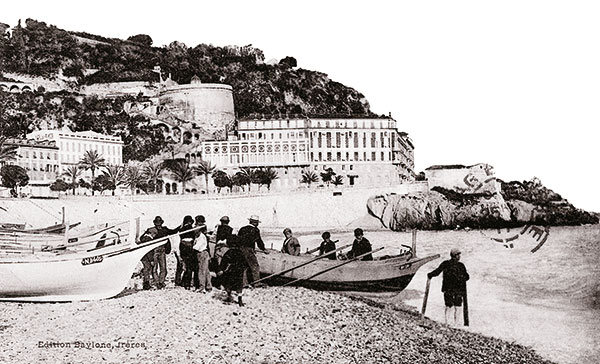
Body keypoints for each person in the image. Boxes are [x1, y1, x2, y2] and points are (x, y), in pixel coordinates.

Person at [427, 248, 470, 326]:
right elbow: (467, 277)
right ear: (455, 256)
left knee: (449, 305)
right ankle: (455, 324)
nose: (459, 256)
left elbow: (437, 272)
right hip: (458, 289)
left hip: (449, 288)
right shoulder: (460, 265)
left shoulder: (446, 263)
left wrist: (430, 274)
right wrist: (461, 278)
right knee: (457, 306)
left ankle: (447, 322)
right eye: (458, 255)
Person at [139, 216, 176, 289]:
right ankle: (157, 282)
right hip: (154, 251)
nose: (158, 224)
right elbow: (142, 238)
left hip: (162, 250)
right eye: (157, 223)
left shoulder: (164, 230)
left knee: (163, 268)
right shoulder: (151, 230)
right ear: (155, 223)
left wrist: (180, 226)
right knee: (155, 268)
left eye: (159, 223)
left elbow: (173, 232)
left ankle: (160, 282)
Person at [237, 214, 268, 285]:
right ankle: (257, 282)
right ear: (255, 222)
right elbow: (259, 241)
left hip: (240, 249)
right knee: (255, 266)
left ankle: (244, 283)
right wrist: (263, 249)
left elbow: (238, 239)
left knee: (244, 266)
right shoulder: (255, 230)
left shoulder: (242, 229)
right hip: (249, 250)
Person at [218, 237, 250, 307]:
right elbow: (245, 263)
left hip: (231, 270)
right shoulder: (240, 252)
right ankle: (240, 300)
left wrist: (221, 269)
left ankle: (229, 296)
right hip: (239, 270)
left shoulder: (229, 252)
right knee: (239, 284)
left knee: (228, 283)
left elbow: (224, 261)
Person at [178, 215, 199, 290]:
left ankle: (184, 283)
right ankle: (187, 283)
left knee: (186, 266)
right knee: (190, 266)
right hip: (189, 247)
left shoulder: (182, 229)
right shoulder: (191, 229)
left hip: (183, 247)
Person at [193, 224, 212, 293]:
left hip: (202, 253)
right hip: (203, 253)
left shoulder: (201, 237)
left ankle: (202, 287)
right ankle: (208, 286)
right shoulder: (198, 236)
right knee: (206, 271)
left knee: (201, 271)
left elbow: (197, 247)